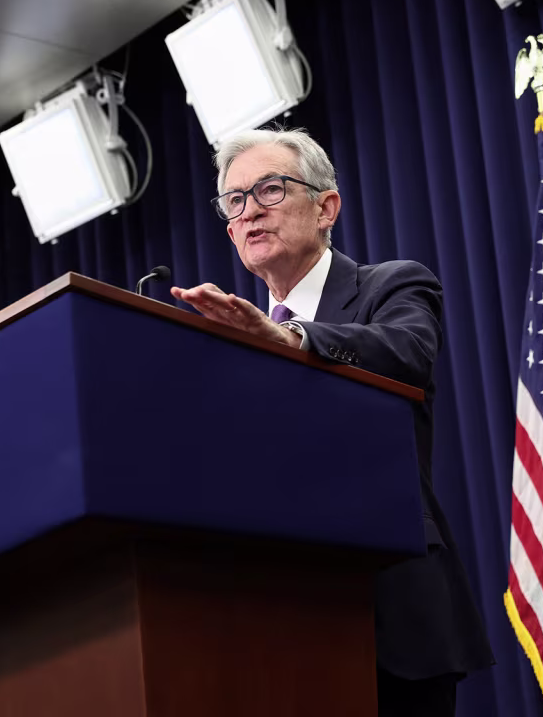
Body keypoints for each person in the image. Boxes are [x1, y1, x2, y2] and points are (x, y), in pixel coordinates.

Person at [171, 127, 494, 716]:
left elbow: (407, 351)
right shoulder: (228, 342)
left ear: (326, 207)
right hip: (272, 623)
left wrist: (291, 337)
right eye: (235, 202)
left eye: (270, 190)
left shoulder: (391, 285)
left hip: (388, 609)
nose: (250, 213)